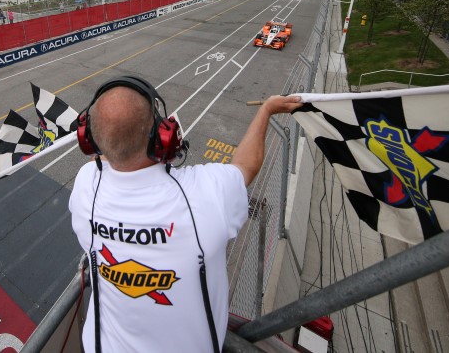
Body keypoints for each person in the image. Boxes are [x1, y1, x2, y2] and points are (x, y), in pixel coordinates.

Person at [68, 76, 302, 352]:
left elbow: (115, 149)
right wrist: (266, 110)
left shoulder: (86, 187)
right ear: (162, 137)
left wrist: (110, 134)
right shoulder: (203, 195)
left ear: (90, 141)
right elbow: (246, 166)